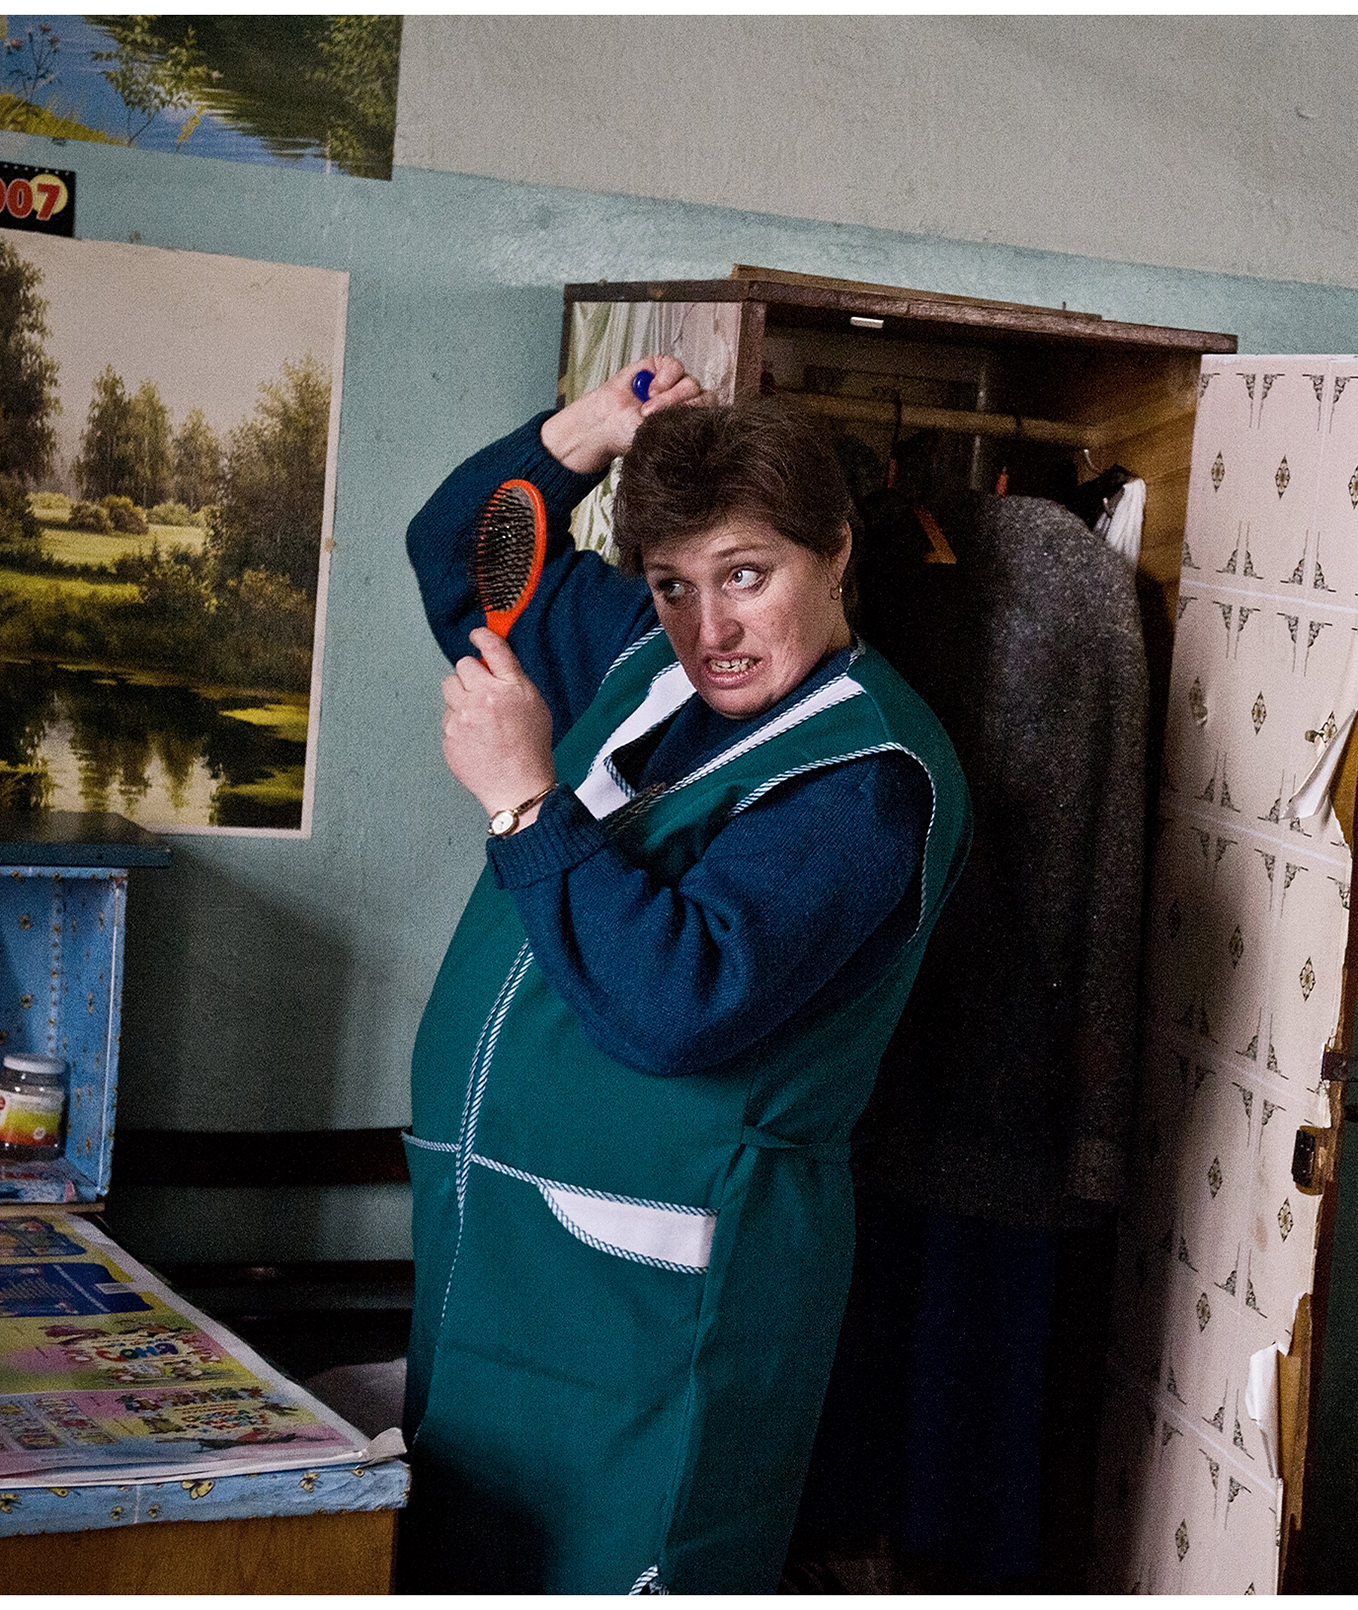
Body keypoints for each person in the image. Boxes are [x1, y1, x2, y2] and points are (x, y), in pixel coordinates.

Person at [398, 358, 972, 1594]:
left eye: (746, 577)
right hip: (502, 1258)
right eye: (673, 584)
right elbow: (460, 553)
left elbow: (678, 999)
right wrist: (592, 429)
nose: (709, 629)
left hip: (653, 1305)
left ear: (836, 548)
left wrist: (523, 804)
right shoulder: (637, 660)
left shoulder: (866, 776)